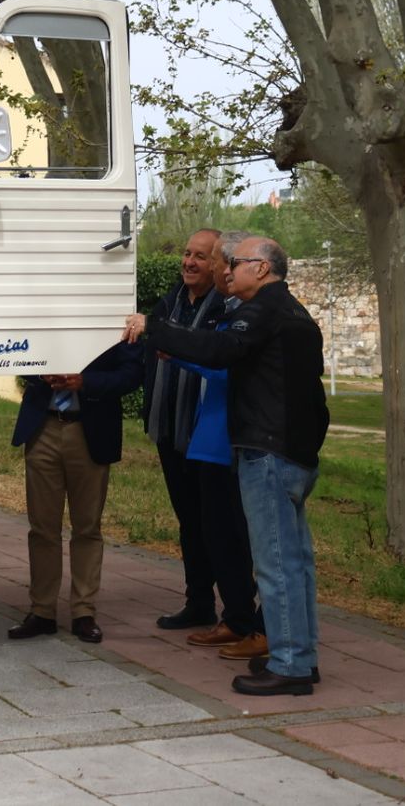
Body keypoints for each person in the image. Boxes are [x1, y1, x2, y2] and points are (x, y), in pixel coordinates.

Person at [143, 236, 328, 696]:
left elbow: (220, 351)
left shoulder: (262, 311)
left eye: (237, 263)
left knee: (277, 563)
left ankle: (289, 666)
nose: (229, 271)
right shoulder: (296, 314)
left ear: (262, 269)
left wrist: (153, 328)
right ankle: (301, 654)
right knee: (297, 562)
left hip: (268, 452)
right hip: (296, 453)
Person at [165, 231, 265, 659]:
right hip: (207, 443)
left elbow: (225, 368)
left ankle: (255, 626)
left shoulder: (252, 315)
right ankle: (236, 618)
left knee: (240, 540)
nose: (225, 271)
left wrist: (173, 348)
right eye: (225, 264)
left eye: (230, 263)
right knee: (216, 537)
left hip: (230, 444)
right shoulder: (228, 310)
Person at [6, 341, 143, 645]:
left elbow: (132, 373)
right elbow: (14, 353)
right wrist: (40, 373)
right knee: (42, 527)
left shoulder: (114, 312)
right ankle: (42, 611)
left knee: (87, 527)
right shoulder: (45, 303)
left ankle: (83, 612)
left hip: (90, 430)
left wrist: (85, 382)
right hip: (43, 427)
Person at [124, 229, 225, 632]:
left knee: (218, 524)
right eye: (186, 253)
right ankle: (199, 602)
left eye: (200, 256)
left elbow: (210, 353)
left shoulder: (226, 308)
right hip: (169, 430)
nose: (189, 262)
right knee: (188, 520)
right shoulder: (169, 303)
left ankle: (240, 610)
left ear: (217, 264)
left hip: (207, 433)